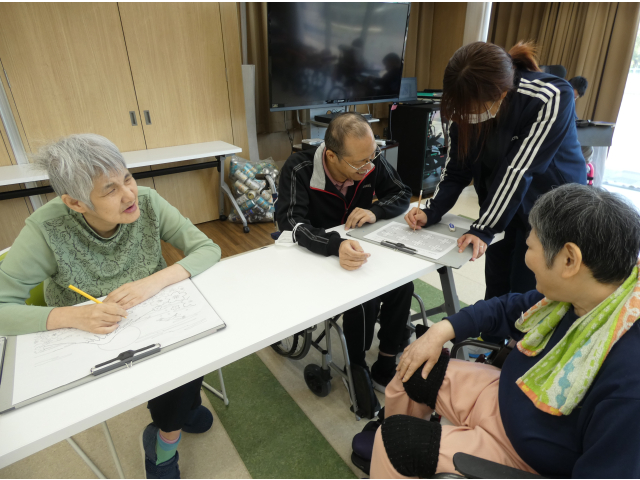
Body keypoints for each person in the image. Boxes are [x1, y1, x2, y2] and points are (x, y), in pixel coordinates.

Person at [354, 184, 640, 478]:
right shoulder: (583, 296)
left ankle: (391, 451)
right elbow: (506, 308)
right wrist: (440, 331)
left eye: (531, 247)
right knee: (411, 366)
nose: (526, 255)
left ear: (569, 260)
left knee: (394, 443)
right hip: (507, 394)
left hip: (524, 455)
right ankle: (389, 440)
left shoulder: (628, 383)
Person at [0, 134, 221, 479]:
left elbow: (207, 249)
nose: (129, 194)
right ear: (75, 203)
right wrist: (73, 316)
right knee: (178, 372)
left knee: (194, 344)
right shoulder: (46, 229)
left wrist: (153, 281)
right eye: (110, 190)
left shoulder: (147, 201)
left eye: (128, 178)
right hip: (88, 336)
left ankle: (171, 426)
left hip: (153, 317)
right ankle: (170, 436)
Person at [405, 41, 587, 301]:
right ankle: (491, 327)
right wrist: (431, 211)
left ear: (501, 94)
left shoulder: (550, 96)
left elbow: (519, 170)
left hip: (549, 206)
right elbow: (456, 169)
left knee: (526, 292)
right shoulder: (465, 104)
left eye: (473, 109)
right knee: (496, 282)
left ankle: (518, 329)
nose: (466, 116)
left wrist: (483, 228)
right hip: (501, 201)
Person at [276, 112, 414, 397]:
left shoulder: (368, 160)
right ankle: (357, 364)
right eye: (360, 162)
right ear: (331, 156)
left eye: (372, 157)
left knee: (402, 285)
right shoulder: (299, 168)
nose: (369, 167)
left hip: (358, 250)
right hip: (316, 254)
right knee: (364, 299)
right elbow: (290, 223)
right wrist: (334, 244)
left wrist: (375, 211)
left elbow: (401, 193)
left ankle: (387, 360)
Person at [569, 75, 595, 165]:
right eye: (572, 96)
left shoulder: (571, 103)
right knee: (586, 148)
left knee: (587, 146)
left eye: (575, 98)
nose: (572, 99)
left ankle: (582, 168)